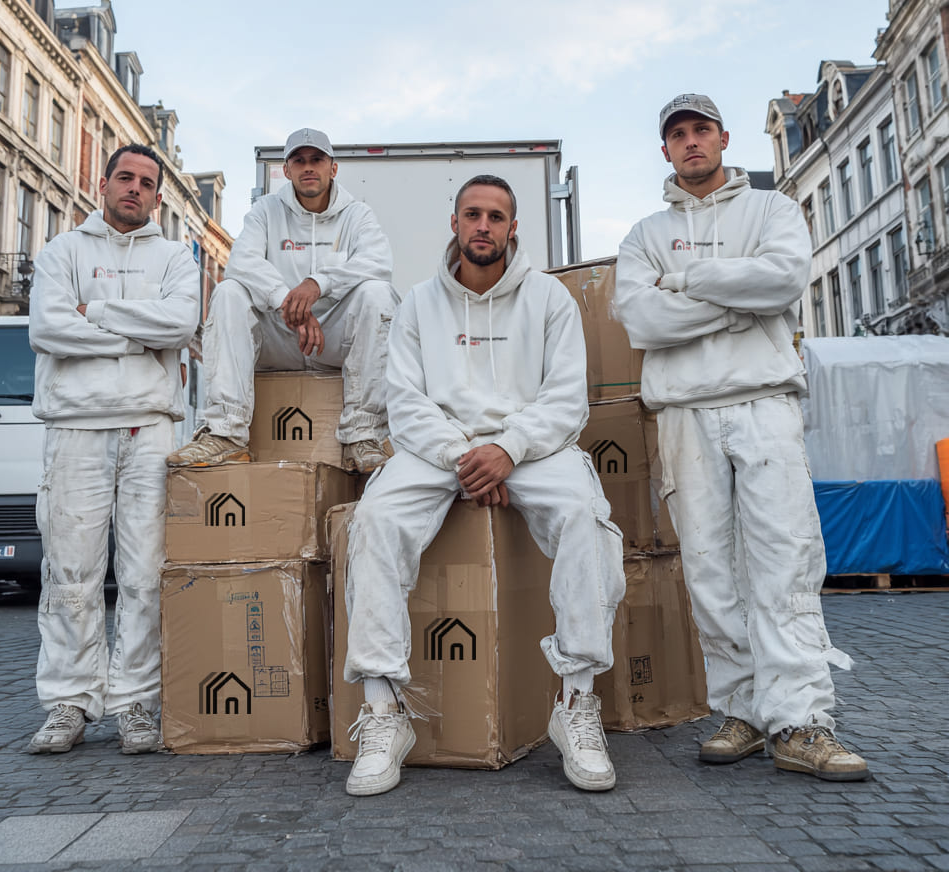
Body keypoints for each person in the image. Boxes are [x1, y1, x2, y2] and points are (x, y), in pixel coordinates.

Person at [342, 175, 626, 796]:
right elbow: (405, 402)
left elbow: (566, 400)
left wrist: (507, 449)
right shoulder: (418, 302)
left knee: (587, 517)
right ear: (455, 222)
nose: (483, 226)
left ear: (513, 227)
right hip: (438, 448)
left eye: (496, 217)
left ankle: (576, 702)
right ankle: (384, 711)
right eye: (473, 214)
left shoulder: (550, 300)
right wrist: (464, 457)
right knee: (373, 522)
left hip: (530, 447)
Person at [615, 94, 868, 781]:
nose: (692, 142)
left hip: (763, 401)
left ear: (723, 138)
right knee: (709, 568)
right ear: (663, 150)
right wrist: (738, 306)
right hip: (684, 412)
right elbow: (643, 323)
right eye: (678, 135)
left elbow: (784, 278)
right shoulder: (643, 234)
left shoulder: (773, 210)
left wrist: (690, 280)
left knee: (783, 559)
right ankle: (745, 712)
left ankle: (802, 721)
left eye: (702, 130)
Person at [27, 144, 201, 755]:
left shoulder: (178, 257)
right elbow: (47, 327)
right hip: (75, 426)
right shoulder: (63, 250)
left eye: (146, 182)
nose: (134, 188)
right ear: (103, 184)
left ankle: (135, 705)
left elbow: (179, 325)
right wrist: (137, 338)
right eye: (124, 177)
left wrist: (94, 314)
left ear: (158, 196)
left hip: (149, 428)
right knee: (69, 571)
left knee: (143, 574)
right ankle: (69, 703)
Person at [167, 128, 398, 473]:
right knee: (230, 291)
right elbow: (241, 262)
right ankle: (226, 434)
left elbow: (378, 262)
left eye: (317, 160)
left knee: (377, 293)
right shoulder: (266, 210)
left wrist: (317, 284)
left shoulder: (357, 215)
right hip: (280, 339)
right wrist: (289, 305)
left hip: (333, 340)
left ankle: (363, 436)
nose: (308, 168)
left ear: (332, 168)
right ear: (286, 171)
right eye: (299, 161)